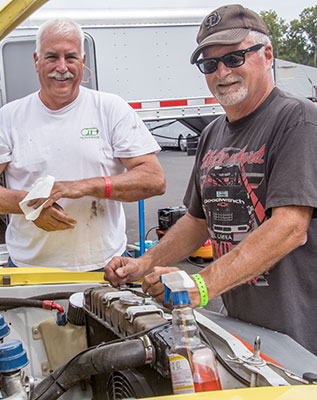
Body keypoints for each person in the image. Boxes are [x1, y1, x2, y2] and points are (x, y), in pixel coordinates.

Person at [104, 4, 317, 355]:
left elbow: (290, 227)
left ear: (266, 55)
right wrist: (144, 264)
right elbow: (197, 222)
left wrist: (200, 286)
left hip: (300, 336)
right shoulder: (214, 133)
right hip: (241, 327)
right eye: (209, 64)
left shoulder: (298, 120)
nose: (221, 72)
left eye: (234, 58)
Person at [0, 18, 166, 272]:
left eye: (71, 57)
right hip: (29, 270)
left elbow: (153, 179)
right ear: (36, 60)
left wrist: (84, 186)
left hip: (105, 267)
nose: (62, 67)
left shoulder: (111, 109)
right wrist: (30, 206)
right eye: (52, 57)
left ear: (83, 61)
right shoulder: (9, 117)